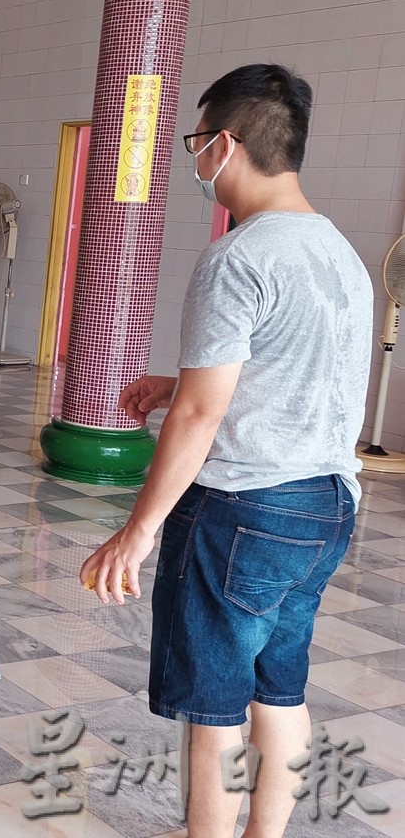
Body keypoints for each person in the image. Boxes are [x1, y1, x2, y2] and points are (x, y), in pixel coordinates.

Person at [79, 64, 373, 838]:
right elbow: (290, 371)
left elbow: (208, 414)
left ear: (226, 144)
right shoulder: (339, 251)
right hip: (327, 505)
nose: (195, 159)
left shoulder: (239, 258)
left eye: (196, 142)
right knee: (280, 687)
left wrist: (137, 528)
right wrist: (176, 383)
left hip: (246, 508)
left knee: (212, 702)